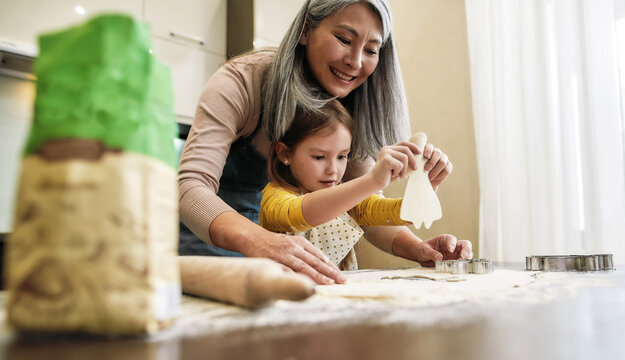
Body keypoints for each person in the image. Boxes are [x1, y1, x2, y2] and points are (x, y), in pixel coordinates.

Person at [178, 0, 472, 285]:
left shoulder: (352, 105)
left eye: (371, 49)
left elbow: (364, 208)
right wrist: (260, 239)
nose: (356, 62)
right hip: (213, 251)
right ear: (306, 29)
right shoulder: (242, 82)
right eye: (344, 39)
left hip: (291, 263)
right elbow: (191, 188)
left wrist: (417, 248)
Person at [260, 100, 470, 271]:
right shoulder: (274, 198)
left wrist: (425, 188)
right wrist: (372, 181)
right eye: (319, 157)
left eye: (342, 156)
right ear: (285, 153)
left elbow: (391, 212)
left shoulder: (349, 200)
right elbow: (300, 213)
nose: (333, 170)